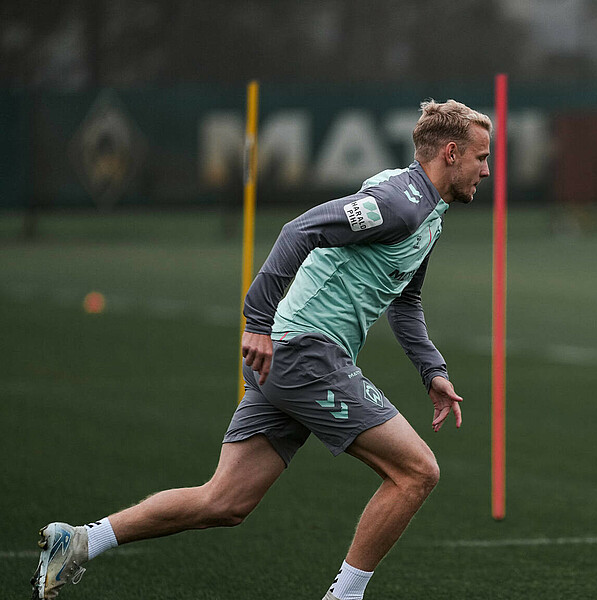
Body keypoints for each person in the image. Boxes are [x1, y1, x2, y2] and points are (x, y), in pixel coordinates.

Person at [32, 98, 492, 600]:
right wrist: (258, 320)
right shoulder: (400, 205)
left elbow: (406, 302)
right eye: (480, 157)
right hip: (303, 353)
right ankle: (344, 598)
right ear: (450, 152)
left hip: (292, 358)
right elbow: (300, 230)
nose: (486, 170)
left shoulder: (429, 214)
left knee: (224, 501)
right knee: (417, 472)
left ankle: (79, 541)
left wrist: (432, 371)